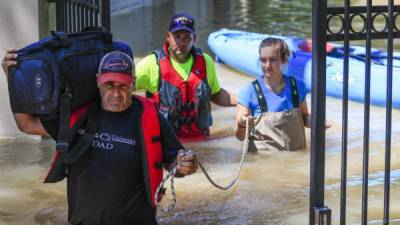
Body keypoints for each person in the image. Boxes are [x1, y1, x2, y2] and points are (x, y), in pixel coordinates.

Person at [2, 49, 198, 225]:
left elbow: (175, 163)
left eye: (123, 85)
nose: (115, 93)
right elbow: (27, 124)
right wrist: (14, 79)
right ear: (98, 81)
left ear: (133, 83)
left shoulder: (150, 117)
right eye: (109, 84)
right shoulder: (79, 117)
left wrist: (186, 165)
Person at [135, 13, 237, 139]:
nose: (181, 42)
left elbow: (215, 94)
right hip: (166, 145)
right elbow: (124, 89)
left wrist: (244, 102)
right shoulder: (150, 64)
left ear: (194, 38)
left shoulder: (206, 62)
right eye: (177, 37)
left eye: (187, 37)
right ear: (168, 36)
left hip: (201, 141)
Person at [235, 37, 329, 151]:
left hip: (295, 162)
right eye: (263, 60)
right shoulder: (249, 91)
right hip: (264, 163)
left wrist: (317, 123)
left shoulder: (298, 86)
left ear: (284, 60)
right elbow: (239, 136)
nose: (267, 65)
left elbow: (304, 119)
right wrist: (242, 123)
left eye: (273, 60)